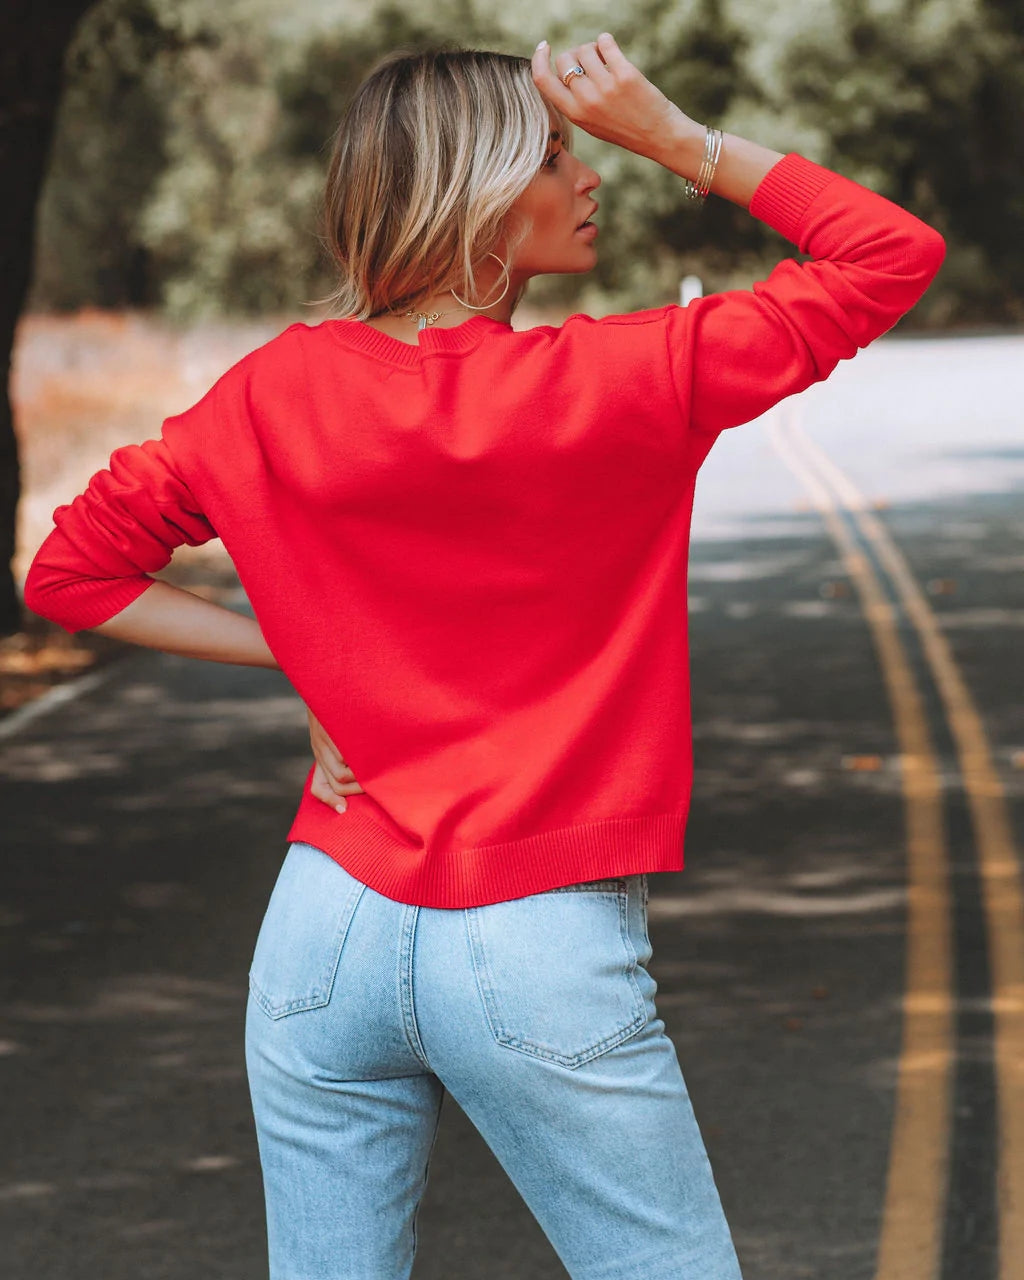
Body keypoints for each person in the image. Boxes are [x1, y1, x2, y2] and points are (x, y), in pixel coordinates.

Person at [23, 32, 945, 1280]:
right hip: (538, 941)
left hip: (321, 931)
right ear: (480, 195)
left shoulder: (267, 391)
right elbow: (888, 252)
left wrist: (303, 662)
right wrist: (678, 139)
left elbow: (71, 575)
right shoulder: (634, 377)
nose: (591, 176)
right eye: (560, 155)